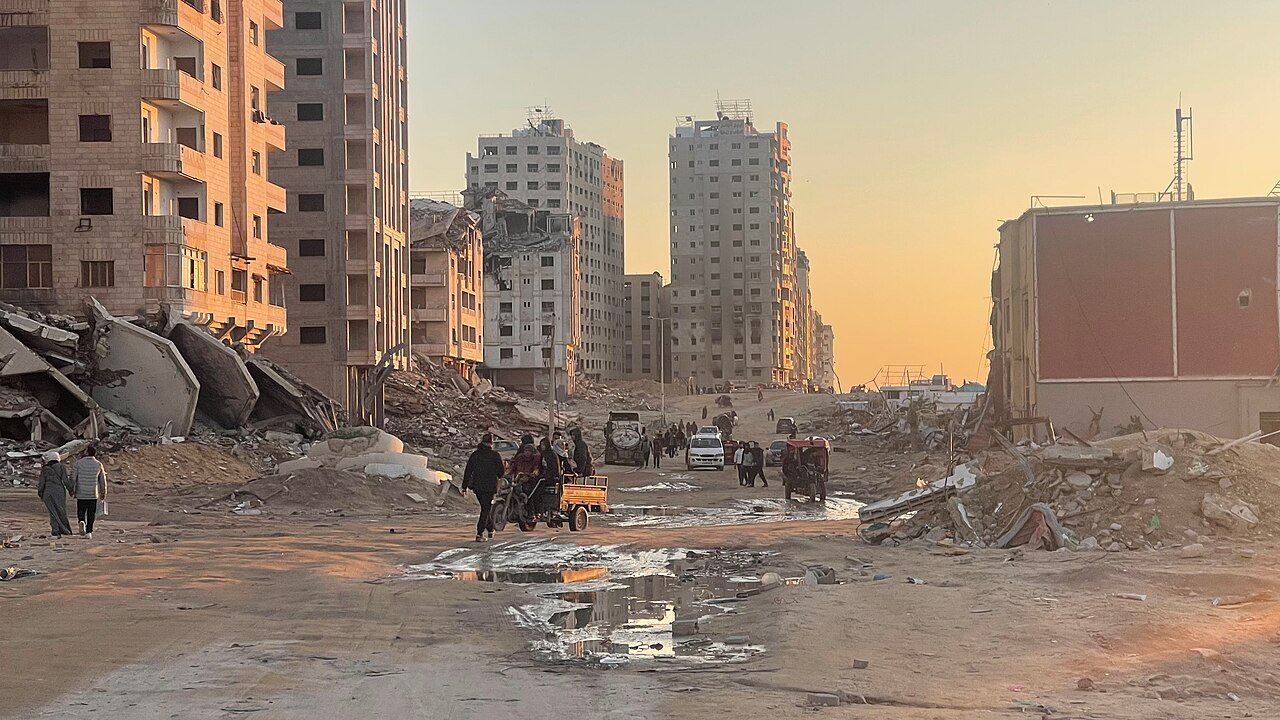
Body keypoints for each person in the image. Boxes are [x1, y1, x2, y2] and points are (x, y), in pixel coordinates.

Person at [462, 433, 506, 542]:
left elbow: (468, 471)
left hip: (477, 487)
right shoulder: (495, 455)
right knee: (486, 509)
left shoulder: (475, 455)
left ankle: (490, 529)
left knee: (485, 508)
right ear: (491, 443)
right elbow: (501, 472)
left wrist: (464, 487)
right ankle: (479, 533)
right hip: (490, 487)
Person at [72, 446, 107, 539]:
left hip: (81, 492)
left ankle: (81, 521)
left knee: (81, 510)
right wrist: (103, 492)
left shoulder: (78, 463)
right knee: (91, 513)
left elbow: (73, 478)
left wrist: (72, 489)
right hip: (93, 493)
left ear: (86, 453)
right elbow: (102, 481)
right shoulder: (98, 464)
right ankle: (89, 532)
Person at [38, 450, 73, 538]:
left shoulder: (44, 469)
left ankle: (55, 529)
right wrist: (71, 490)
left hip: (47, 492)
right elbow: (65, 480)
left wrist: (40, 494)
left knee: (52, 512)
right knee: (61, 511)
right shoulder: (61, 466)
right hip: (59, 491)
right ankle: (64, 529)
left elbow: (41, 483)